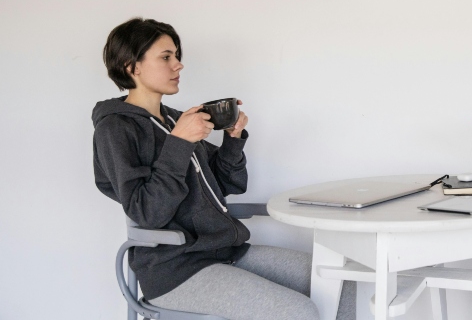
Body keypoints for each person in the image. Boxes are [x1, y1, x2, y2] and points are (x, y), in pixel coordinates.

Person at [93, 18, 355, 320]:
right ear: (131, 66)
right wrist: (179, 142)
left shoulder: (174, 119)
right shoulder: (115, 128)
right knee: (298, 312)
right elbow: (146, 212)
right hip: (176, 269)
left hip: (225, 251)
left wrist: (232, 139)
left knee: (342, 284)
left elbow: (227, 184)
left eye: (177, 56)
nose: (178, 65)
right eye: (166, 57)